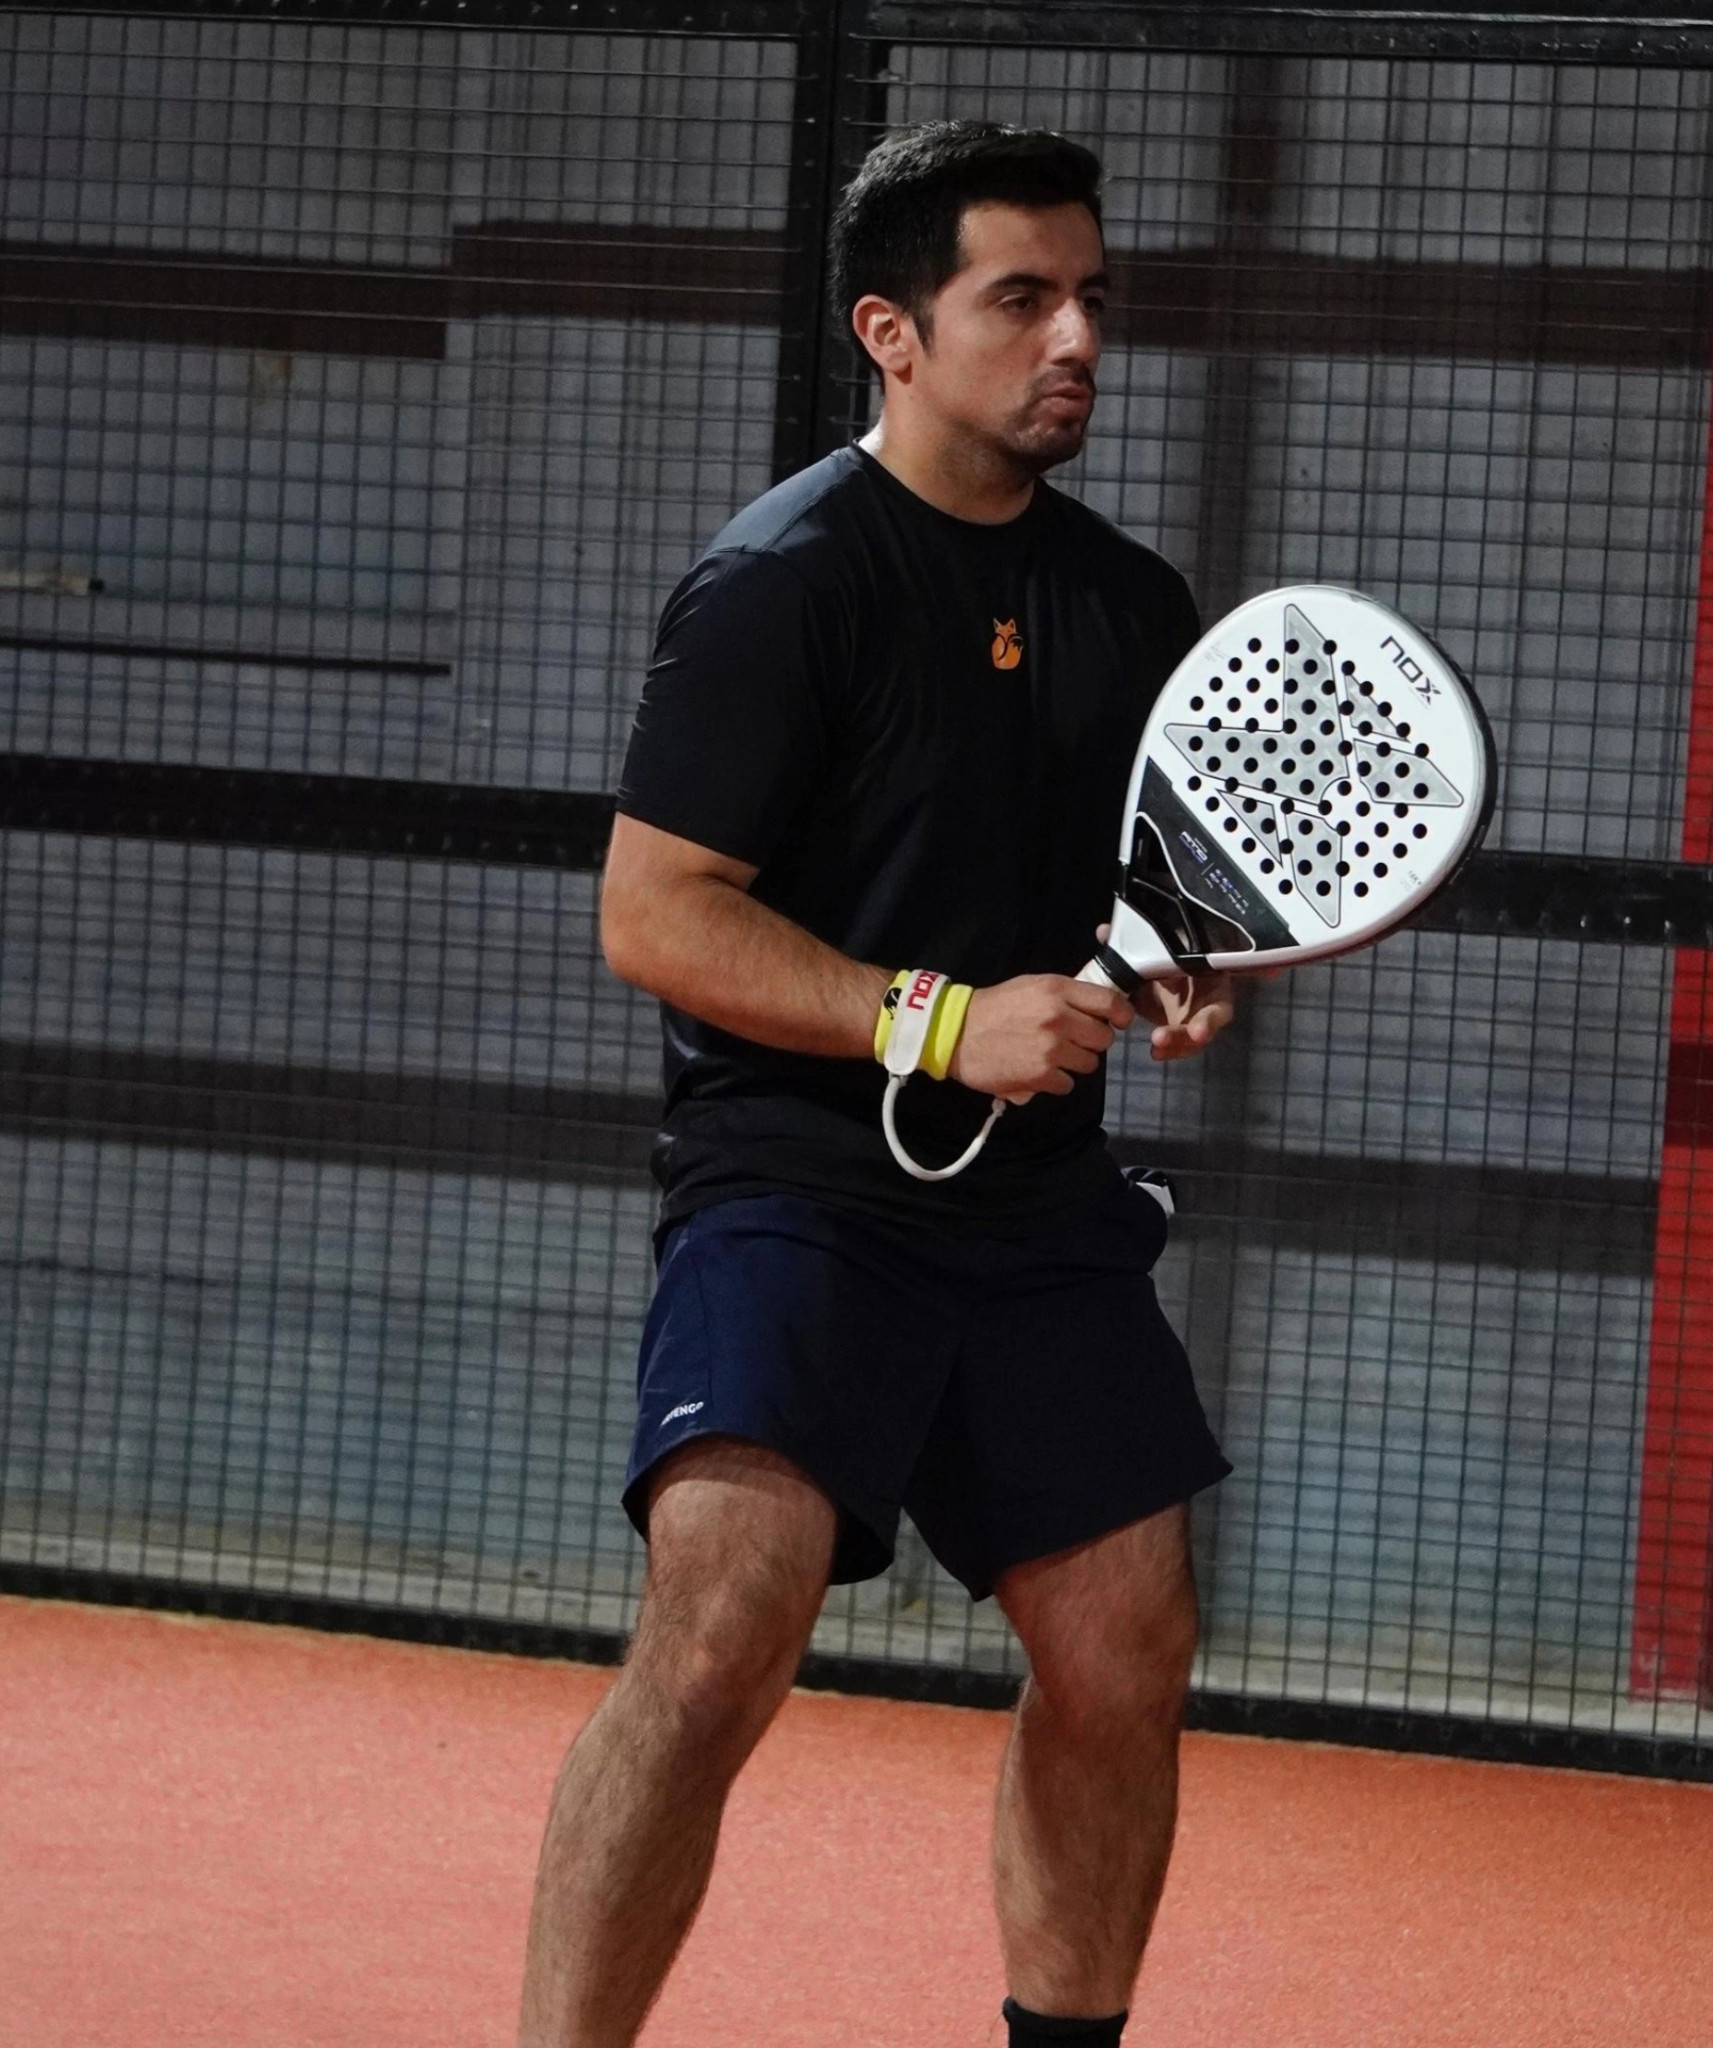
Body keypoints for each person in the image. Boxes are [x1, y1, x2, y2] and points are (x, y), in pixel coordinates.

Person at [518, 119, 1242, 2048]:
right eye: (1022, 298)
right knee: (718, 1635)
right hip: (796, 1185)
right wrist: (935, 1021)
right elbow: (657, 914)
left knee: (1127, 1651)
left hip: (1039, 1209)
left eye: (1093, 296)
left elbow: (1152, 907)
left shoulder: (1135, 608)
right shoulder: (782, 584)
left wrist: (1174, 982)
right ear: (891, 333)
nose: (1077, 338)